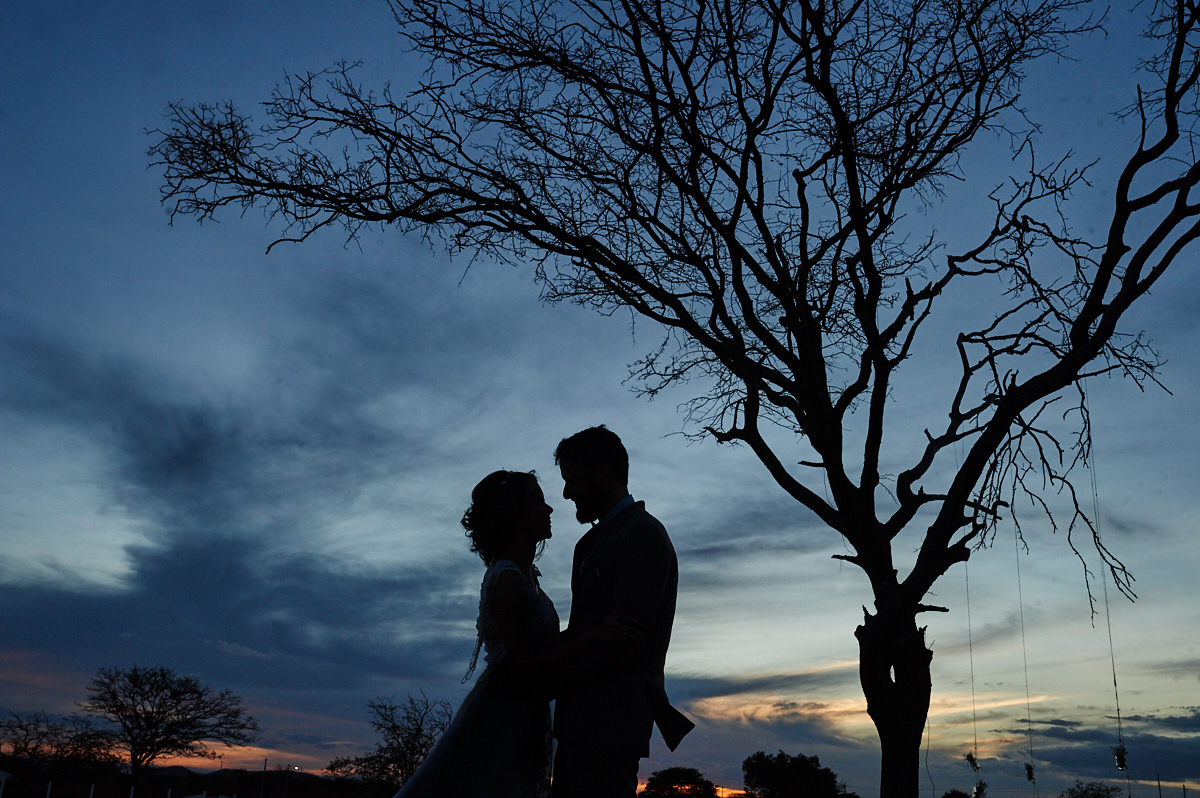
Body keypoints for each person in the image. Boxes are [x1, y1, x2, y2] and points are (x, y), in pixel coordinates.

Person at [395, 470, 638, 798]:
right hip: (501, 717)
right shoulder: (507, 580)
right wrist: (594, 637)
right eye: (539, 502)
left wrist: (595, 630)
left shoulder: (524, 576)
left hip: (523, 716)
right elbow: (525, 668)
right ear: (517, 516)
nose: (550, 509)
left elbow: (542, 649)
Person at [551, 426, 694, 798]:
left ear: (604, 475)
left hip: (610, 728)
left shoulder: (644, 536)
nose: (566, 493)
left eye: (573, 481)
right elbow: (587, 629)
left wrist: (546, 677)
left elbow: (625, 642)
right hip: (577, 724)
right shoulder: (589, 544)